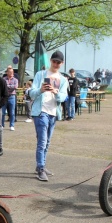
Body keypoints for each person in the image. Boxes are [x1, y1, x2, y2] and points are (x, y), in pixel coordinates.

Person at [28, 50, 68, 182]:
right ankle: (40, 168)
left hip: (53, 113)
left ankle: (42, 165)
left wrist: (56, 92)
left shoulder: (63, 80)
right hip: (41, 112)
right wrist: (41, 90)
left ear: (62, 63)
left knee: (47, 142)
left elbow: (63, 97)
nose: (56, 64)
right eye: (54, 61)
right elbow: (31, 93)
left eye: (58, 62)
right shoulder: (40, 74)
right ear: (50, 61)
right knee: (42, 141)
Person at [2, 66, 18, 131]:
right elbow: (3, 87)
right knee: (2, 112)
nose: (11, 73)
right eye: (10, 72)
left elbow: (15, 87)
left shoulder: (15, 80)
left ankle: (12, 125)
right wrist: (11, 86)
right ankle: (2, 125)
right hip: (4, 97)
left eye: (12, 72)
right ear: (7, 72)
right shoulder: (3, 79)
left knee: (12, 112)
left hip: (12, 96)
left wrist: (7, 86)